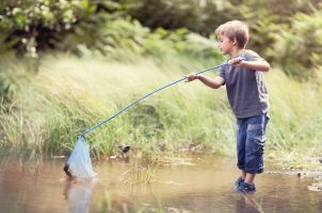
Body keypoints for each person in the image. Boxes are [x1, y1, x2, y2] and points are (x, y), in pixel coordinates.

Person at [186, 20, 270, 193]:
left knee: (253, 148)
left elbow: (265, 66)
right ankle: (243, 178)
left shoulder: (248, 55)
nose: (218, 44)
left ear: (233, 41)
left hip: (256, 111)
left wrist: (243, 64)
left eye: (221, 40)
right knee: (241, 148)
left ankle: (248, 184)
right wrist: (199, 77)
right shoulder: (225, 66)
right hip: (240, 113)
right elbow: (217, 84)